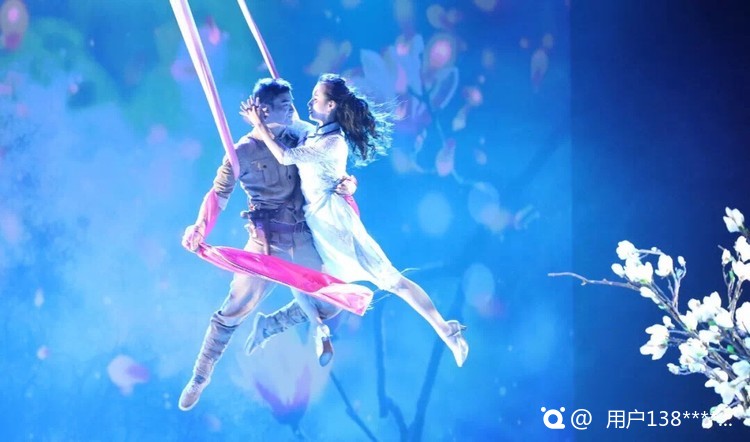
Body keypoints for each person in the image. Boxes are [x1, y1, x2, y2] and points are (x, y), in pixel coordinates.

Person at [243, 73, 469, 367]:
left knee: (392, 281)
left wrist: (260, 126)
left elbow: (286, 157)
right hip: (317, 222)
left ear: (331, 106)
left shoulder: (332, 143)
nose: (309, 102)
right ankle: (279, 325)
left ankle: (446, 329)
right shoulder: (314, 132)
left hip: (336, 225)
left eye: (316, 98)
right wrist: (270, 99)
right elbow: (292, 118)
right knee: (312, 283)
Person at [178, 77, 354, 411]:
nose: (293, 111)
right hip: (265, 243)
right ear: (264, 110)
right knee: (233, 310)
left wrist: (347, 184)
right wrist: (199, 226)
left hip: (301, 236)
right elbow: (218, 194)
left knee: (332, 302)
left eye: (292, 104)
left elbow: (330, 166)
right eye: (285, 106)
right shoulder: (242, 151)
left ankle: (272, 324)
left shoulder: (299, 137)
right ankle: (200, 376)